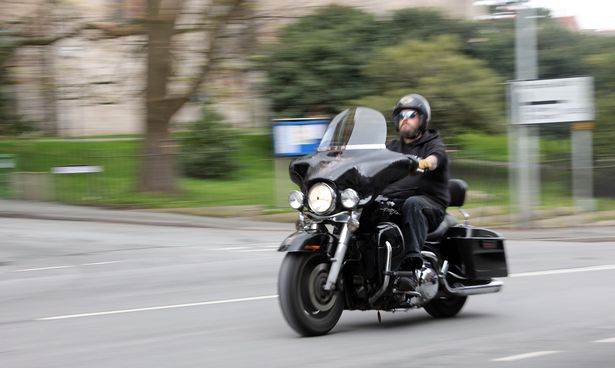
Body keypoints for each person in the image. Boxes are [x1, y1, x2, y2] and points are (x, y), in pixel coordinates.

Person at [383, 93, 450, 275]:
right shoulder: (392, 148)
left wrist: (425, 163)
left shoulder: (433, 143)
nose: (405, 120)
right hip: (395, 201)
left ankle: (412, 263)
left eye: (411, 115)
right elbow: (373, 162)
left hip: (430, 203)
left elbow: (436, 158)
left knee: (413, 204)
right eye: (401, 116)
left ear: (422, 119)